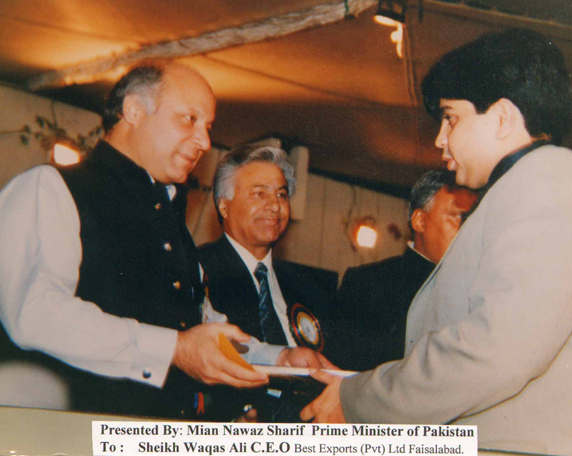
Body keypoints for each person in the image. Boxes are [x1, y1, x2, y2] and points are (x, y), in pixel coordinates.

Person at [301, 28, 572, 455]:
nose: (440, 139)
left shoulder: (552, 180)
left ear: (503, 118)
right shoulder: (521, 190)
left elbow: (497, 351)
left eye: (451, 118)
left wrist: (360, 400)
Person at [0, 61, 324, 419]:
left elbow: (202, 331)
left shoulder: (169, 219)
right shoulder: (49, 188)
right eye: (189, 119)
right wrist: (175, 348)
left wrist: (279, 358)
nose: (204, 142)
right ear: (134, 110)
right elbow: (35, 313)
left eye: (207, 127)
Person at [199, 144, 333, 421]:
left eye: (281, 195)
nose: (274, 206)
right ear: (224, 205)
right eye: (259, 193)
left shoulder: (308, 287)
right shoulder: (199, 270)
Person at [325, 170, 476, 371]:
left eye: (471, 222)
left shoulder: (477, 291)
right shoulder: (367, 284)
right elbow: (341, 372)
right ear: (420, 221)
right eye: (458, 218)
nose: (468, 231)